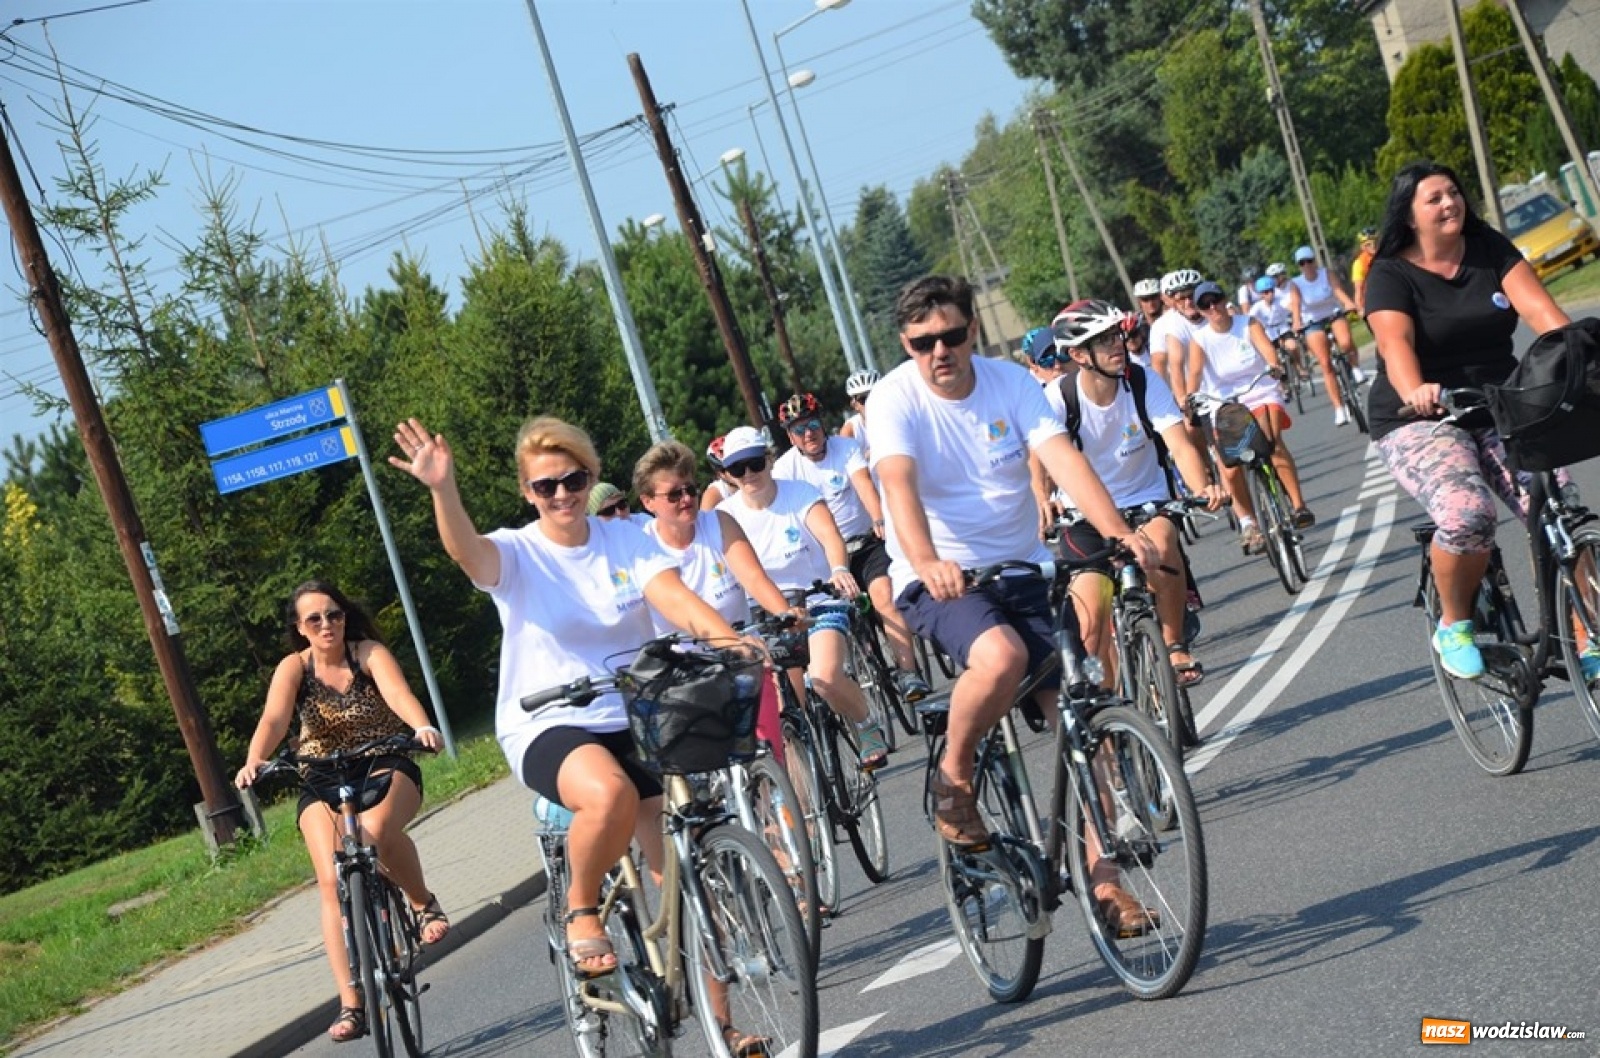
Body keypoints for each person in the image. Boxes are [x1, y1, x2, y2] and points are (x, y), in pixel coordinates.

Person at [387, 415, 769, 1054]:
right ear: (527, 492)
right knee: (610, 794)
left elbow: (675, 599)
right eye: (545, 487)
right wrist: (441, 490)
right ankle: (582, 908)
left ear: (590, 478)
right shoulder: (517, 552)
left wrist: (730, 640)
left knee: (684, 870)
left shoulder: (629, 541)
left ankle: (724, 1027)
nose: (561, 495)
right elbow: (465, 551)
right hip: (549, 720)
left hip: (634, 713)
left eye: (573, 480)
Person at [871, 274, 1161, 933]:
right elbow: (898, 485)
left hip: (1022, 569)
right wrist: (925, 562)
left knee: (1082, 712)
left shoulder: (1011, 384)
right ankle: (954, 778)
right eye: (923, 343)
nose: (938, 352)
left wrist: (1118, 533)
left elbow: (1062, 459)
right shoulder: (894, 400)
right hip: (941, 578)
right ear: (906, 343)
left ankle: (1107, 884)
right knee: (999, 656)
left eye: (950, 336)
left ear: (972, 330)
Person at [1363, 161, 1596, 682]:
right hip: (1419, 414)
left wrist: (1580, 357)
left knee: (1561, 506)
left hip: (1499, 400)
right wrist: (1417, 391)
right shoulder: (1388, 273)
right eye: (1434, 199)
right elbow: (1395, 346)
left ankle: (1589, 635)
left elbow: (1544, 315)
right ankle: (1455, 623)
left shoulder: (1489, 248)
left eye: (1454, 193)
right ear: (1409, 214)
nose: (1450, 204)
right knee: (1468, 514)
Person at [235, 581, 448, 1044]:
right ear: (300, 629)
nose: (327, 624)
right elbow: (274, 719)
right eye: (315, 619)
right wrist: (255, 759)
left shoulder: (367, 653)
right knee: (332, 879)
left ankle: (421, 902)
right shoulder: (294, 668)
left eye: (334, 614)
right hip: (321, 773)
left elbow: (397, 693)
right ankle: (352, 1002)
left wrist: (421, 726)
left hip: (384, 757)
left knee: (374, 829)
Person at [1040, 299, 1227, 689]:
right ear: (1077, 354)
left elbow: (1178, 443)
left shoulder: (1142, 380)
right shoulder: (1058, 397)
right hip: (1083, 514)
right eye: (1102, 340)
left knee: (1159, 545)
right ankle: (1113, 713)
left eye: (1116, 336)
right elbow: (1038, 457)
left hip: (1147, 500)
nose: (1116, 345)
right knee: (1091, 616)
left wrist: (1201, 486)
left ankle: (1174, 643)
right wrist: (1044, 498)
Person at [716, 424, 892, 768]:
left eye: (755, 463)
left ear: (769, 460)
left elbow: (829, 536)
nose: (749, 474)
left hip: (817, 597)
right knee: (786, 711)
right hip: (768, 614)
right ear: (728, 475)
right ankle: (806, 806)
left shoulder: (800, 493)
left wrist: (840, 569)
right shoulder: (726, 517)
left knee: (825, 676)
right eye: (738, 469)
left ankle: (864, 723)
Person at [633, 440, 800, 762]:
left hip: (741, 653)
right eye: (673, 495)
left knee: (768, 752)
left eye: (690, 490)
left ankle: (786, 799)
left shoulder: (719, 523)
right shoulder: (642, 547)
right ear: (648, 502)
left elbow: (754, 578)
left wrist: (785, 614)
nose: (686, 500)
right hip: (685, 673)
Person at [771, 392, 932, 703]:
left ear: (824, 425)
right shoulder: (784, 469)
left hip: (864, 543)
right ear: (790, 436)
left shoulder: (845, 448)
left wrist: (878, 518)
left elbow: (864, 485)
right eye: (799, 429)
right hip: (826, 558)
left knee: (884, 597)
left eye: (813, 425)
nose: (809, 434)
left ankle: (908, 672)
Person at [1185, 280, 1314, 551]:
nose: (1213, 308)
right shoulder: (1200, 339)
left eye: (1216, 300)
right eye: (1205, 305)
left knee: (1272, 443)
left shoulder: (1248, 323)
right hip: (1224, 402)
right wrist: (1190, 397)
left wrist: (1274, 366)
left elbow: (1267, 351)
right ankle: (1249, 522)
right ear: (1200, 310)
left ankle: (1299, 506)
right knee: (1230, 468)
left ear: (1224, 300)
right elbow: (1194, 374)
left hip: (1260, 390)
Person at [1287, 244, 1364, 425]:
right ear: (1299, 266)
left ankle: (1355, 367)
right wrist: (1297, 322)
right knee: (1325, 363)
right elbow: (1296, 304)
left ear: (1315, 261)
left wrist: (1348, 303)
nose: (1307, 265)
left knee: (1345, 342)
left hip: (1333, 314)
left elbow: (1338, 290)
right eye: (1302, 263)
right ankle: (1339, 408)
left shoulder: (1326, 274)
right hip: (1312, 322)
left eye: (1309, 261)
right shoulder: (1296, 284)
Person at [1151, 269, 1203, 400]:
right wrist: (1177, 401)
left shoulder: (1212, 311)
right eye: (1181, 299)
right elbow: (1168, 365)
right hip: (1195, 394)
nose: (1188, 302)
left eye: (1191, 296)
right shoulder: (1167, 325)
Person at [840, 369, 879, 459]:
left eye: (874, 396)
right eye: (863, 399)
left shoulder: (896, 417)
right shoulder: (850, 431)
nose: (870, 402)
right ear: (854, 404)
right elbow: (848, 464)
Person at [1351, 226, 1378, 314]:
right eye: (1368, 244)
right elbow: (1358, 289)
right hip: (1372, 299)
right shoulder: (1359, 263)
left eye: (1375, 242)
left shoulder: (1387, 255)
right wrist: (1360, 308)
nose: (1373, 246)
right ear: (1362, 247)